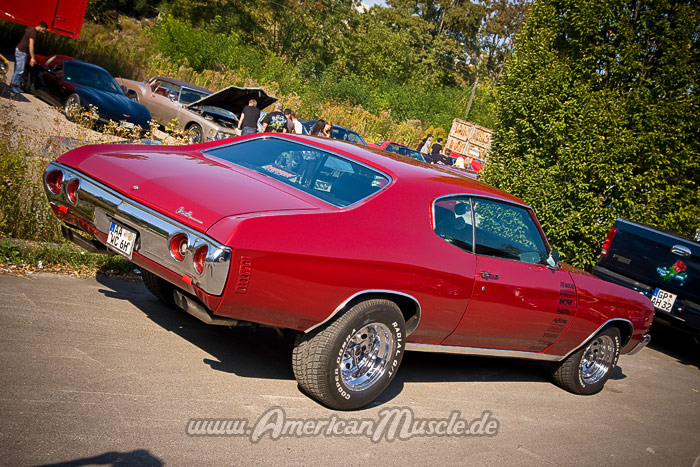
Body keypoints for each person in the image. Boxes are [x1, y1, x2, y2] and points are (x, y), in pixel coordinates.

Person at [10, 21, 48, 94]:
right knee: (19, 70)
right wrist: (32, 58)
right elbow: (31, 45)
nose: (43, 32)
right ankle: (12, 86)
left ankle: (16, 86)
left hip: (23, 52)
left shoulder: (32, 30)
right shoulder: (33, 32)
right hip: (21, 51)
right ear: (41, 27)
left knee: (21, 70)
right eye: (43, 30)